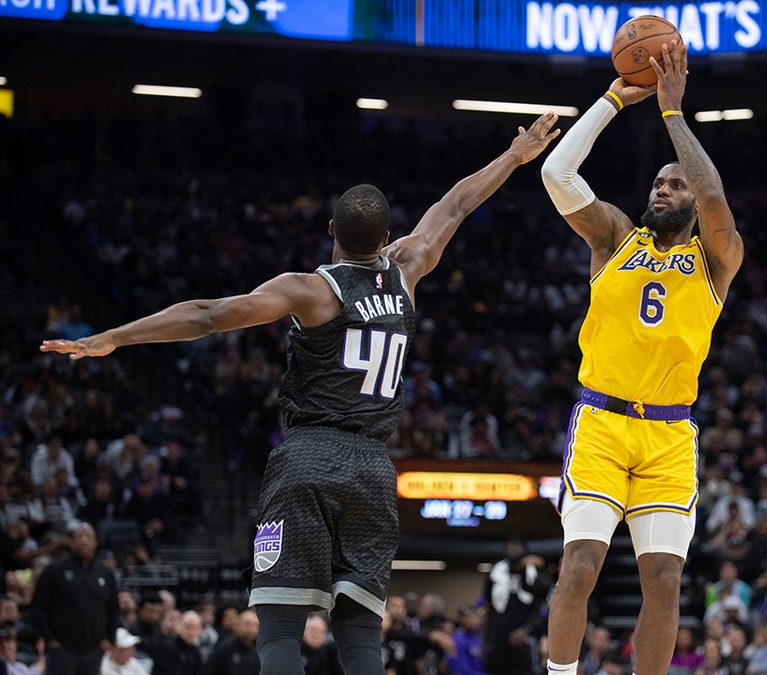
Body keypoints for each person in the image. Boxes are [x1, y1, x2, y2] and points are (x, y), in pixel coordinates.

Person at [41, 114, 561, 675]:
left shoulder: (312, 291)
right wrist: (514, 155)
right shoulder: (409, 269)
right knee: (361, 632)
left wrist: (113, 338)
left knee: (280, 627)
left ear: (330, 231)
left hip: (310, 456)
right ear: (388, 239)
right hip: (374, 466)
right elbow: (456, 205)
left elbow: (206, 316)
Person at [539, 40, 743, 675]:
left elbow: (712, 196)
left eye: (673, 183)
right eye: (657, 181)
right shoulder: (615, 237)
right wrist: (608, 102)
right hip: (602, 423)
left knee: (664, 583)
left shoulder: (716, 258)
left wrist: (673, 115)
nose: (663, 188)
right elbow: (557, 175)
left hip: (668, 435)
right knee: (580, 564)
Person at [29, 522, 119, 675]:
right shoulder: (54, 571)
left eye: (88, 536)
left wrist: (110, 639)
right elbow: (38, 608)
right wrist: (50, 640)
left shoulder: (106, 573)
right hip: (62, 650)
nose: (83, 540)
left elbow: (113, 610)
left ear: (95, 542)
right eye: (79, 536)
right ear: (70, 542)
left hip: (93, 651)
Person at [484, 539, 549, 675]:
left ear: (525, 550)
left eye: (516, 546)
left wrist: (525, 630)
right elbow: (488, 606)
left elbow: (539, 607)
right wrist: (484, 640)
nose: (512, 549)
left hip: (523, 637)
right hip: (498, 635)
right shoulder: (496, 572)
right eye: (509, 546)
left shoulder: (533, 574)